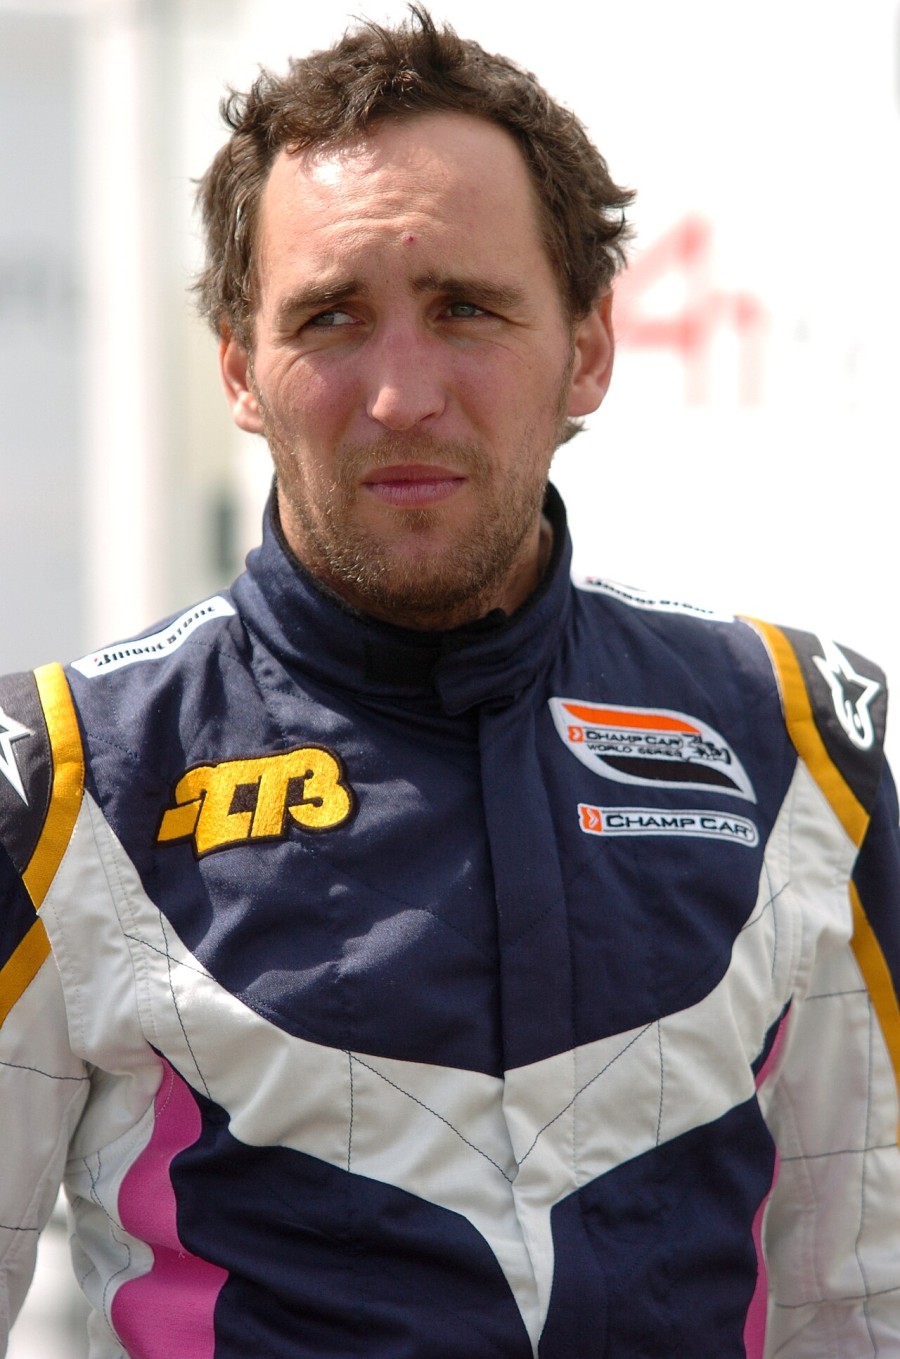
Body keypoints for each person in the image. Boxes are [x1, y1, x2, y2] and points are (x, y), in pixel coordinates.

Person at [1, 8, 899, 1356]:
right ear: (241, 368)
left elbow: (865, 1304)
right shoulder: (65, 777)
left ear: (588, 347)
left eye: (465, 309)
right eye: (332, 319)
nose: (401, 395)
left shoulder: (798, 739)